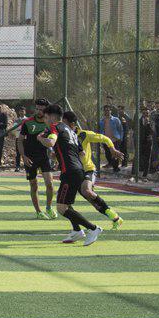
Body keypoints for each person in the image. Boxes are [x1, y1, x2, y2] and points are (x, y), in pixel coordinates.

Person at [39, 105, 102, 246]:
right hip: (77, 169)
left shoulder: (55, 127)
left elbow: (50, 142)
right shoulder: (71, 131)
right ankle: (77, 231)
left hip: (70, 172)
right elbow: (81, 152)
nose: (44, 120)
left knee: (61, 207)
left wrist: (40, 138)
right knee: (66, 203)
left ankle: (93, 228)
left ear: (52, 117)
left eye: (46, 117)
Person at [69, 114, 124, 228]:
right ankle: (115, 218)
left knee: (86, 191)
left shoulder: (84, 134)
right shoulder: (63, 136)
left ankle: (79, 229)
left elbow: (104, 138)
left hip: (87, 170)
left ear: (72, 124)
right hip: (73, 172)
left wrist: (112, 149)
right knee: (93, 203)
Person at [18, 99, 57, 219]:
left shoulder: (50, 124)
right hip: (30, 158)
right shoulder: (27, 122)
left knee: (49, 184)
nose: (39, 111)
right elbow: (20, 140)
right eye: (37, 109)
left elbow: (54, 139)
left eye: (42, 109)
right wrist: (23, 156)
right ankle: (39, 212)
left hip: (44, 157)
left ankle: (49, 208)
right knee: (34, 185)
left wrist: (55, 153)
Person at [99, 105, 124, 173]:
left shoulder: (116, 120)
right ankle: (111, 164)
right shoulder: (101, 121)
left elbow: (120, 129)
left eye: (108, 110)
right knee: (108, 154)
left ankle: (116, 168)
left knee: (115, 154)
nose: (107, 111)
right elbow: (100, 130)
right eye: (105, 110)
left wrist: (120, 138)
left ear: (110, 111)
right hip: (106, 140)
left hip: (114, 139)